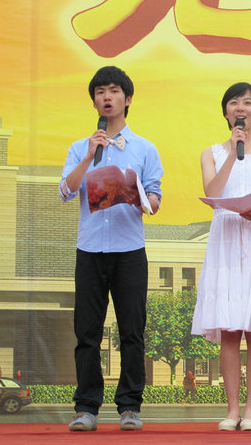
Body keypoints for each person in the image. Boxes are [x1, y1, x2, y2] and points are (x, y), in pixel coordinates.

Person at [60, 66, 163, 432]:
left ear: (127, 98)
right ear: (94, 101)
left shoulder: (145, 148)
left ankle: (130, 407)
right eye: (100, 91)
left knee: (132, 330)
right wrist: (89, 156)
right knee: (87, 332)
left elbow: (155, 197)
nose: (107, 97)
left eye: (114, 91)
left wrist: (141, 198)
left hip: (129, 249)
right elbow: (66, 191)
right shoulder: (79, 148)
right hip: (90, 249)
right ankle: (86, 407)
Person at [191, 82, 251, 432]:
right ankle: (232, 410)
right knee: (230, 330)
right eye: (234, 102)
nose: (241, 108)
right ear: (226, 112)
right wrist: (233, 153)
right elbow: (213, 192)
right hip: (226, 239)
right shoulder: (211, 153)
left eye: (248, 103)